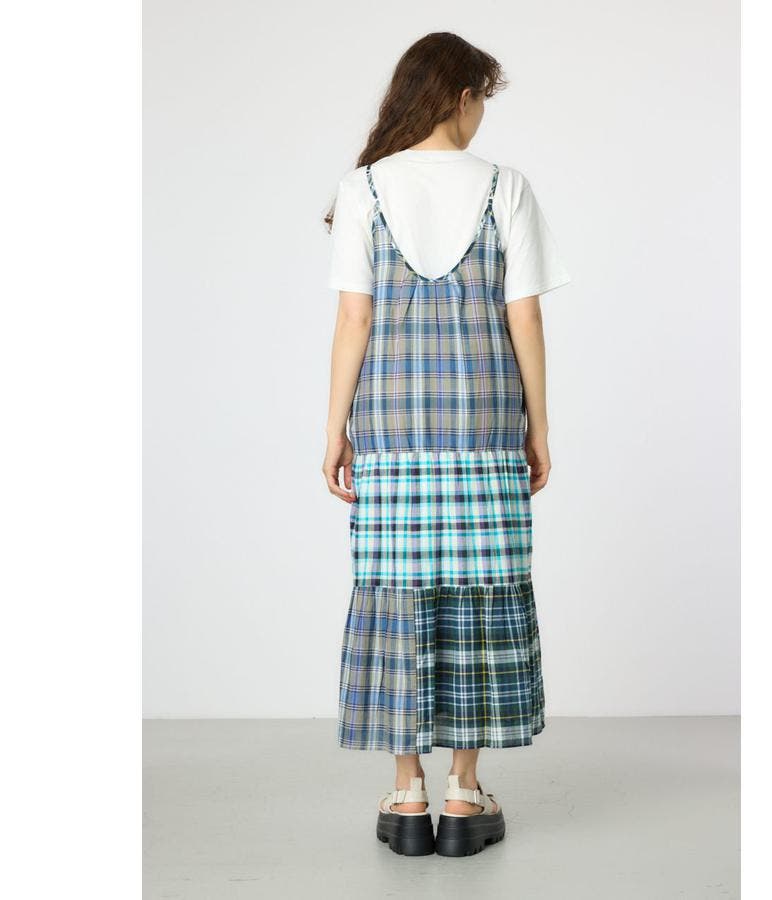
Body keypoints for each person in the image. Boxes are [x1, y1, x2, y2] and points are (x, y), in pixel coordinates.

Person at [323, 32, 570, 857]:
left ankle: (406, 792)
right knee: (478, 592)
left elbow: (354, 317)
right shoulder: (505, 186)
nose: (480, 116)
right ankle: (464, 793)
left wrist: (334, 428)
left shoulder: (364, 187)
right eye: (482, 100)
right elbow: (524, 316)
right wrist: (539, 424)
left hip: (391, 427)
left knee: (395, 590)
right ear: (462, 96)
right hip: (484, 424)